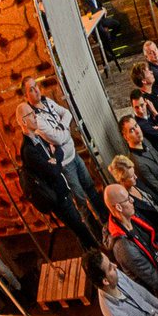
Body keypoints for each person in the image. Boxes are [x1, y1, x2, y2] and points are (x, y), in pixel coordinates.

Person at [17, 76, 108, 223]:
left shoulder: (47, 101)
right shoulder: (35, 118)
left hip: (74, 154)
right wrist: (64, 129)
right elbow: (57, 139)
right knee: (81, 200)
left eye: (36, 86)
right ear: (26, 96)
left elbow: (67, 113)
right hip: (65, 164)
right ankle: (96, 231)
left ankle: (106, 220)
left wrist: (60, 127)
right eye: (31, 90)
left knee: (90, 187)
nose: (37, 91)